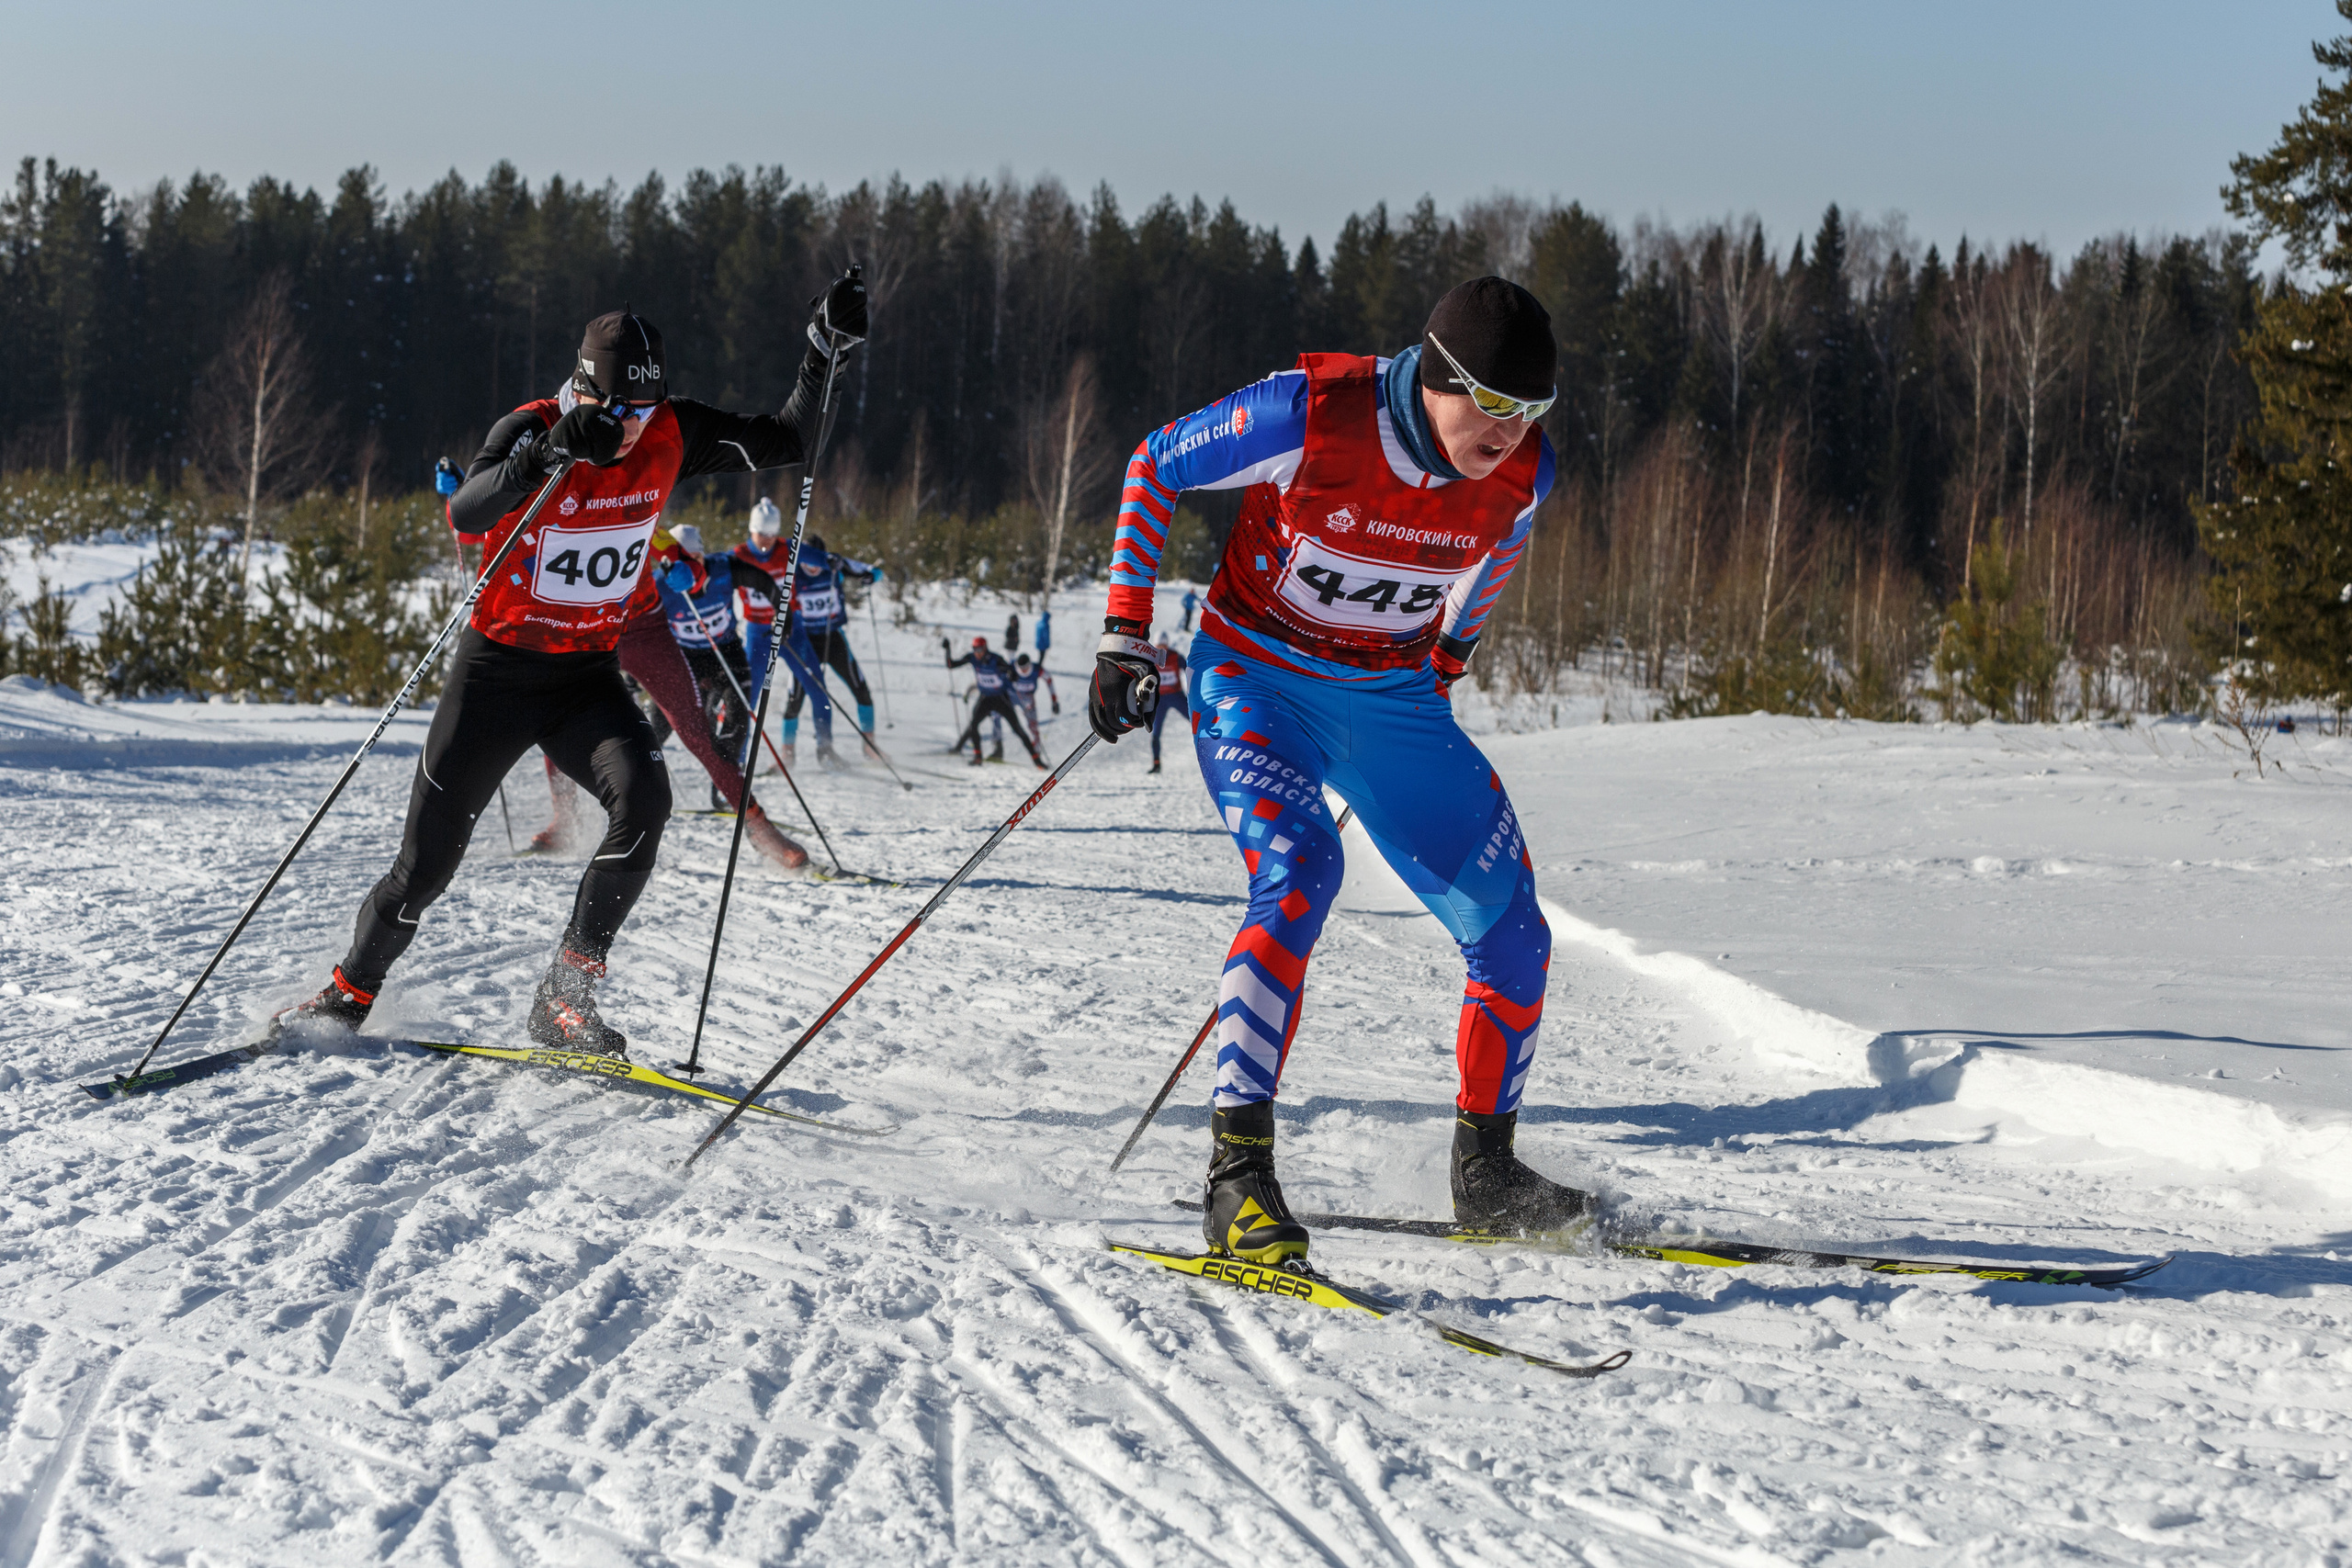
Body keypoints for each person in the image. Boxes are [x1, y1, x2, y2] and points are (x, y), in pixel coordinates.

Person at [1089, 276, 1568, 1263]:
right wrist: (1124, 635)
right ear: (1436, 378)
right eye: (1491, 405)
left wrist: (1448, 657)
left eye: (1531, 413)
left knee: (1513, 929)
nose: (1509, 432)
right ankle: (1237, 1179)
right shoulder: (1311, 415)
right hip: (1255, 676)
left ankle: (1485, 1169)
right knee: (1301, 871)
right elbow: (1154, 466)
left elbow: (1495, 557)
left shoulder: (1523, 475)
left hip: (1388, 698)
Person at [276, 275, 866, 1056]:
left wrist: (824, 350)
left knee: (647, 799)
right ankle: (350, 990)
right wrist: (549, 453)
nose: (632, 430)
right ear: (585, 390)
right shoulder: (536, 426)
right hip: (497, 673)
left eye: (645, 412)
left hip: (585, 676)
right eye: (618, 413)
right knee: (425, 866)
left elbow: (790, 440)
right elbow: (469, 508)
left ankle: (564, 997)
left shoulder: (671, 432)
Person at [652, 524, 785, 802]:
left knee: (738, 712)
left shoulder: (724, 568)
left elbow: (764, 582)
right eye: (683, 562)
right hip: (685, 656)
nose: (692, 569)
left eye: (696, 559)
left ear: (704, 555)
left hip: (725, 650)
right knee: (660, 721)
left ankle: (726, 786)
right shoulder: (659, 586)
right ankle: (639, 782)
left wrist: (784, 616)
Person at [736, 518, 881, 762]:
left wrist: (870, 576)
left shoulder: (833, 568)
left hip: (832, 639)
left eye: (815, 563)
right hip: (802, 640)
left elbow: (872, 570)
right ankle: (787, 755)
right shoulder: (793, 574)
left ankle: (867, 747)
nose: (812, 568)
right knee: (796, 698)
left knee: (860, 688)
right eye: (806, 563)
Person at [946, 635, 1044, 769]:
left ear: (985, 648)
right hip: (985, 698)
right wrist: (947, 649)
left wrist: (1011, 674)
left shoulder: (995, 659)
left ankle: (1037, 760)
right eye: (975, 649)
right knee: (973, 725)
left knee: (1018, 729)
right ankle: (978, 757)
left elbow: (1010, 671)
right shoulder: (972, 658)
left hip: (1000, 699)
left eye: (980, 649)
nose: (977, 653)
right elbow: (951, 665)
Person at [1146, 631, 1187, 775]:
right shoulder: (1151, 658)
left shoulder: (1175, 656)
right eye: (1159, 646)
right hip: (1160, 700)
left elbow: (1189, 670)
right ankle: (1156, 764)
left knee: (1197, 721)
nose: (1162, 649)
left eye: (1164, 645)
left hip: (1176, 695)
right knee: (1155, 733)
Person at [1008, 650, 1057, 752]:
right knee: (997, 714)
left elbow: (1049, 680)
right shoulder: (1013, 667)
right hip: (1012, 695)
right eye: (1021, 668)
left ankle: (1037, 750)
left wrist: (1054, 701)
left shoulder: (1036, 670)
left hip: (1027, 698)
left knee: (1033, 725)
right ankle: (996, 746)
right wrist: (1008, 675)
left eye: (1025, 668)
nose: (1023, 671)